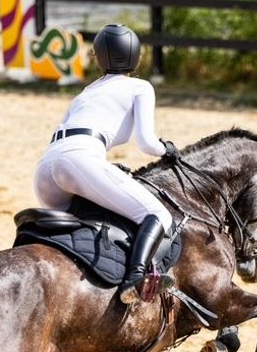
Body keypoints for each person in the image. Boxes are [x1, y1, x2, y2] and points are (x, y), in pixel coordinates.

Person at [33, 23, 178, 304]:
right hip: (80, 160)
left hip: (46, 167)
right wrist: (168, 149)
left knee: (84, 227)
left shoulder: (86, 92)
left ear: (98, 57)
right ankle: (135, 279)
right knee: (157, 215)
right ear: (136, 56)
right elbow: (147, 143)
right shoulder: (140, 86)